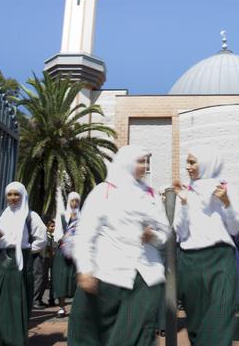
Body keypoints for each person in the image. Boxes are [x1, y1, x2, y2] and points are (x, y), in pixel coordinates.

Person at [68, 145, 170, 346]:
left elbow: (165, 231)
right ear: (126, 163)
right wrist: (85, 269)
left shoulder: (151, 195)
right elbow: (86, 233)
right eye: (140, 161)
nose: (144, 166)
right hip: (108, 274)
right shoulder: (104, 192)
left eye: (146, 162)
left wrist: (153, 236)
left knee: (138, 335)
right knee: (94, 333)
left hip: (144, 276)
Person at [173, 149, 239, 346]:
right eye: (187, 162)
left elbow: (235, 228)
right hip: (189, 261)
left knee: (221, 315)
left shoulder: (225, 188)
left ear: (205, 163)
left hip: (220, 258)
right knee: (196, 322)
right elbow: (180, 231)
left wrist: (226, 202)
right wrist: (184, 203)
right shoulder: (186, 190)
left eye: (192, 162)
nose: (188, 167)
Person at [0, 182, 47, 346]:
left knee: (14, 303)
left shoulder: (30, 216)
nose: (13, 198)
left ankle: (13, 341)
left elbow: (42, 239)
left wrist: (26, 251)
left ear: (22, 195)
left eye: (16, 194)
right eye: (9, 194)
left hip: (18, 262)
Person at [52, 191, 81, 317]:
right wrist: (66, 237)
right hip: (62, 252)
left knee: (75, 280)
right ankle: (61, 307)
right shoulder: (62, 216)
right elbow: (57, 235)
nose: (74, 203)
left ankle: (77, 307)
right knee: (61, 279)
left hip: (77, 253)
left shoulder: (83, 217)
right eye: (72, 200)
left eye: (76, 201)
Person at [33, 219, 56, 309]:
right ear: (46, 226)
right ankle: (34, 300)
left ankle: (39, 299)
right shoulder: (44, 235)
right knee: (39, 278)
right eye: (51, 226)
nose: (53, 228)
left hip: (47, 258)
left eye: (54, 226)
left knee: (44, 279)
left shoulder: (51, 236)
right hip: (41, 257)